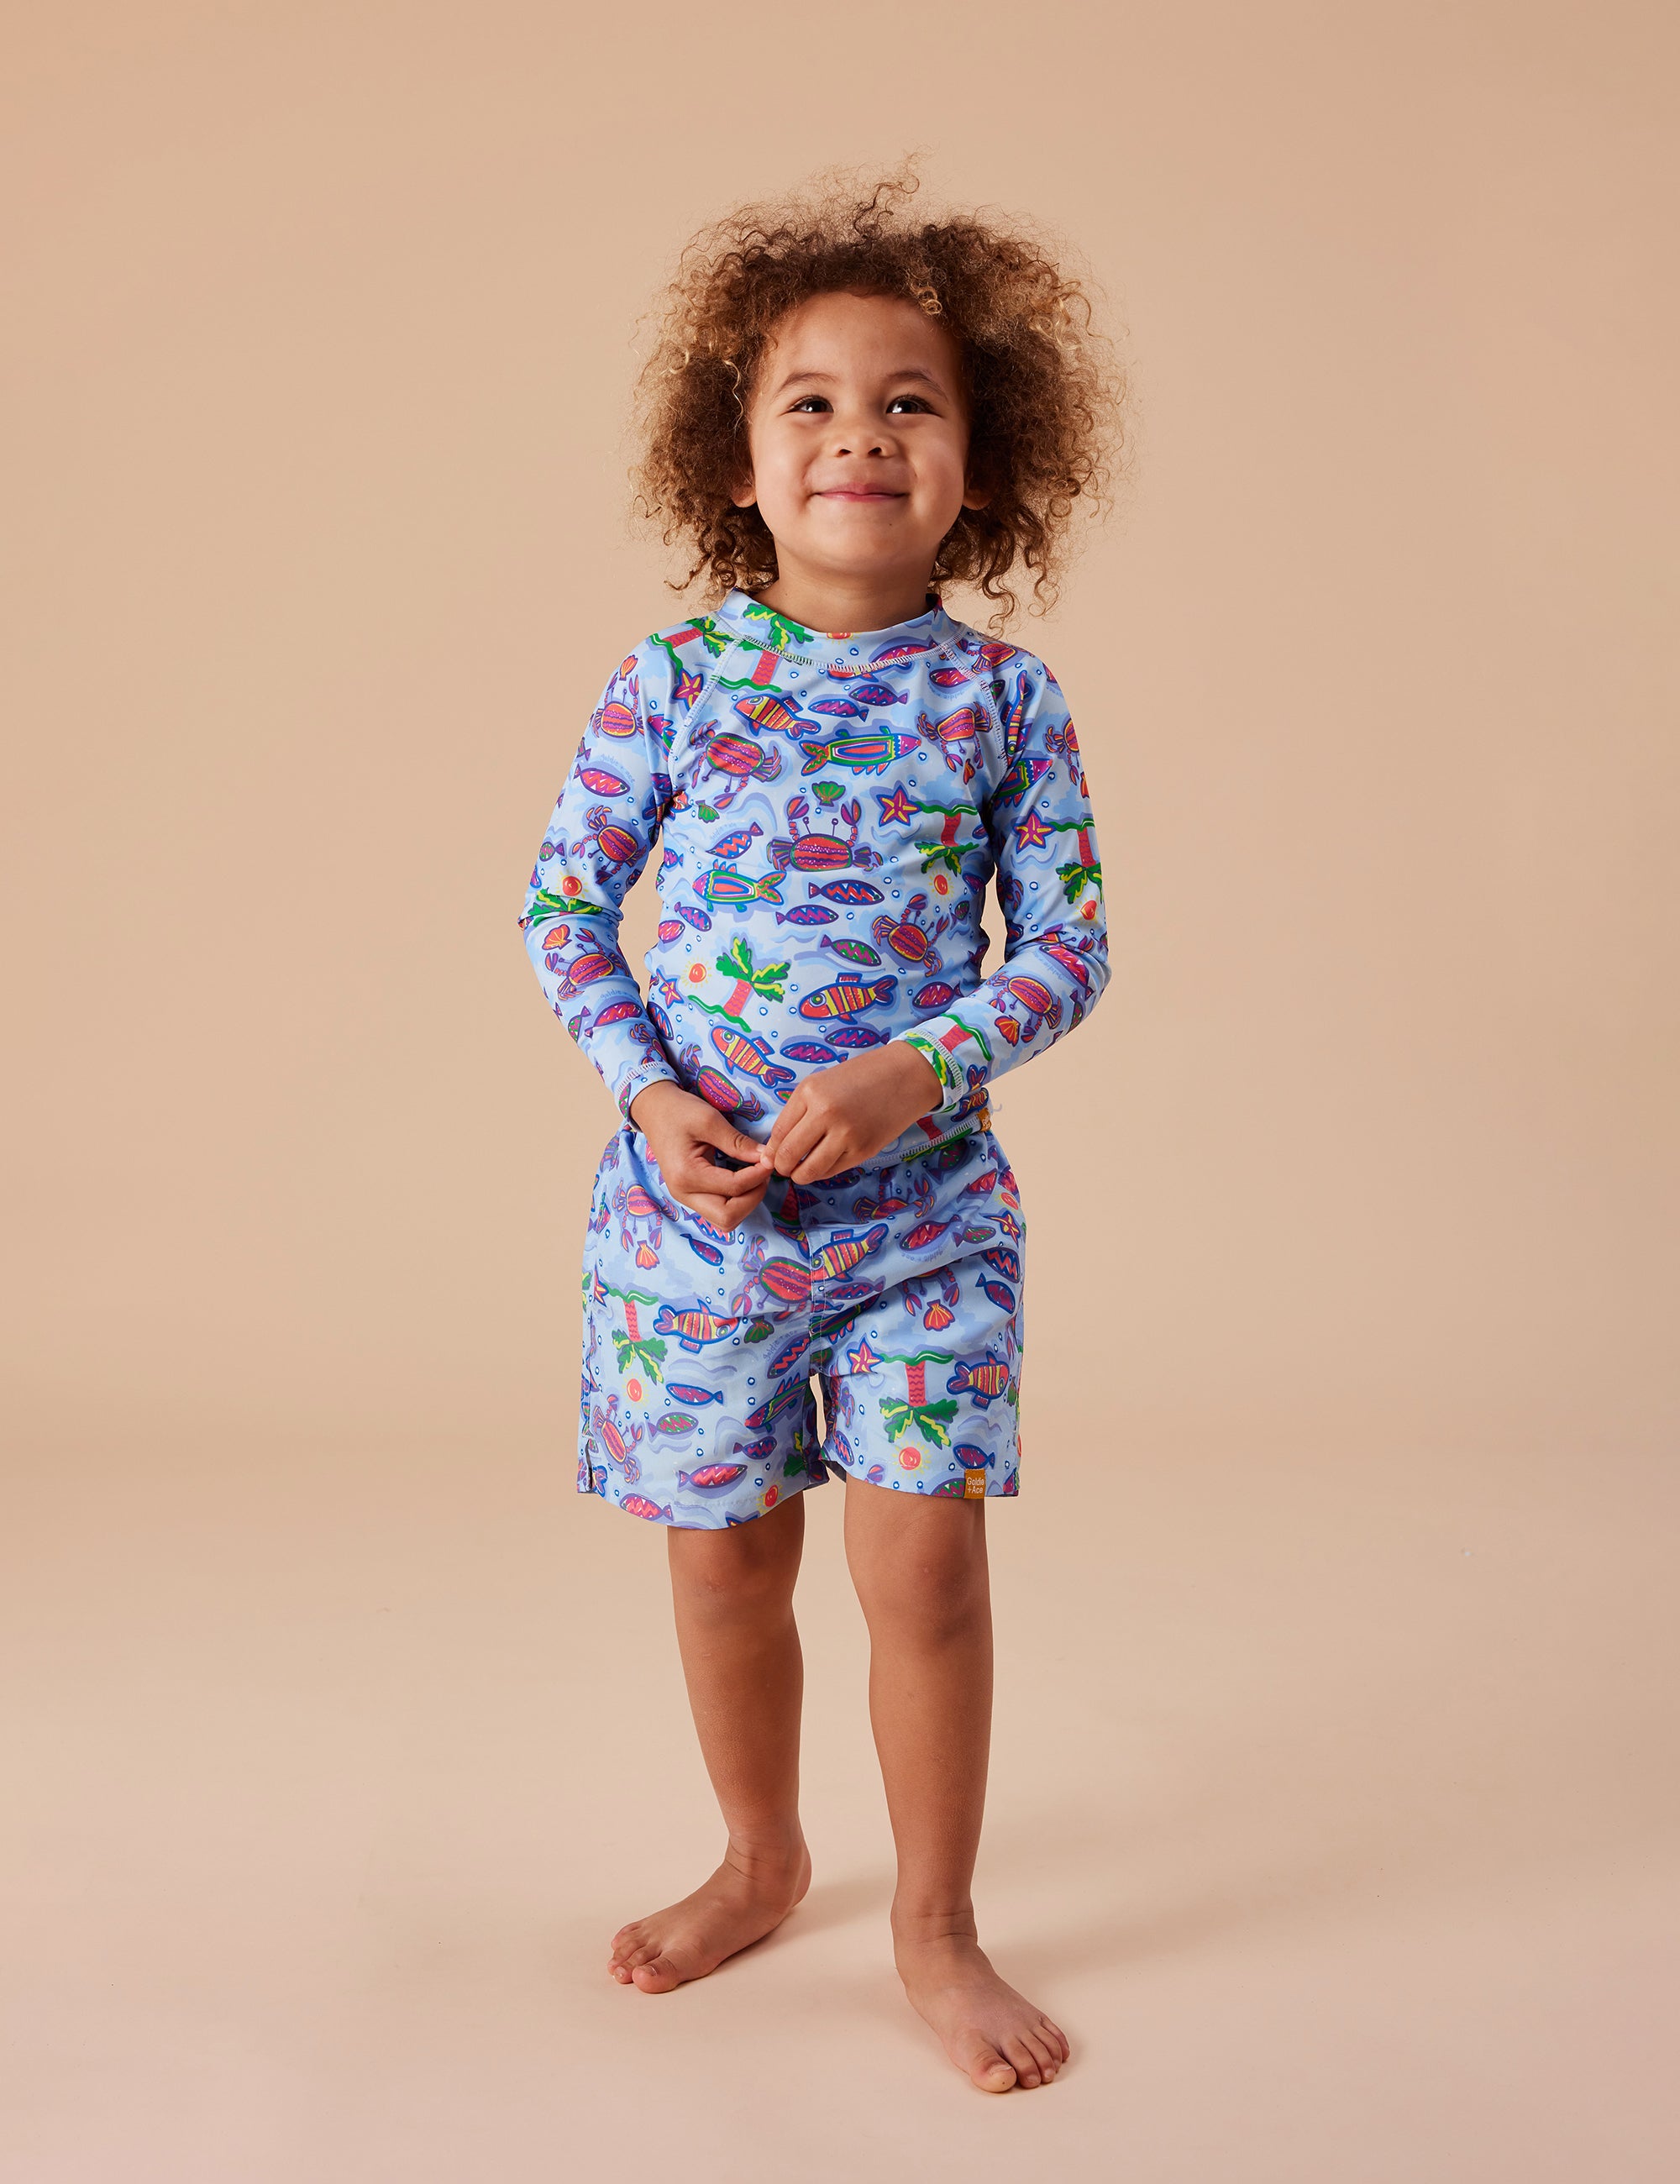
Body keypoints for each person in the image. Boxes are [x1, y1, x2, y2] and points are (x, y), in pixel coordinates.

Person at [518, 165, 1123, 2094]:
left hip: (924, 1226)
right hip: (694, 1223)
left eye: (908, 401)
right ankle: (759, 1854)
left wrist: (911, 1077)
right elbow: (561, 907)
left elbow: (1071, 947)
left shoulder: (1000, 701)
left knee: (923, 1571)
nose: (860, 433)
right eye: (812, 401)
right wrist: (650, 1091)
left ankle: (935, 1925)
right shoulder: (676, 681)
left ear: (978, 463)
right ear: (740, 461)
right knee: (722, 1565)